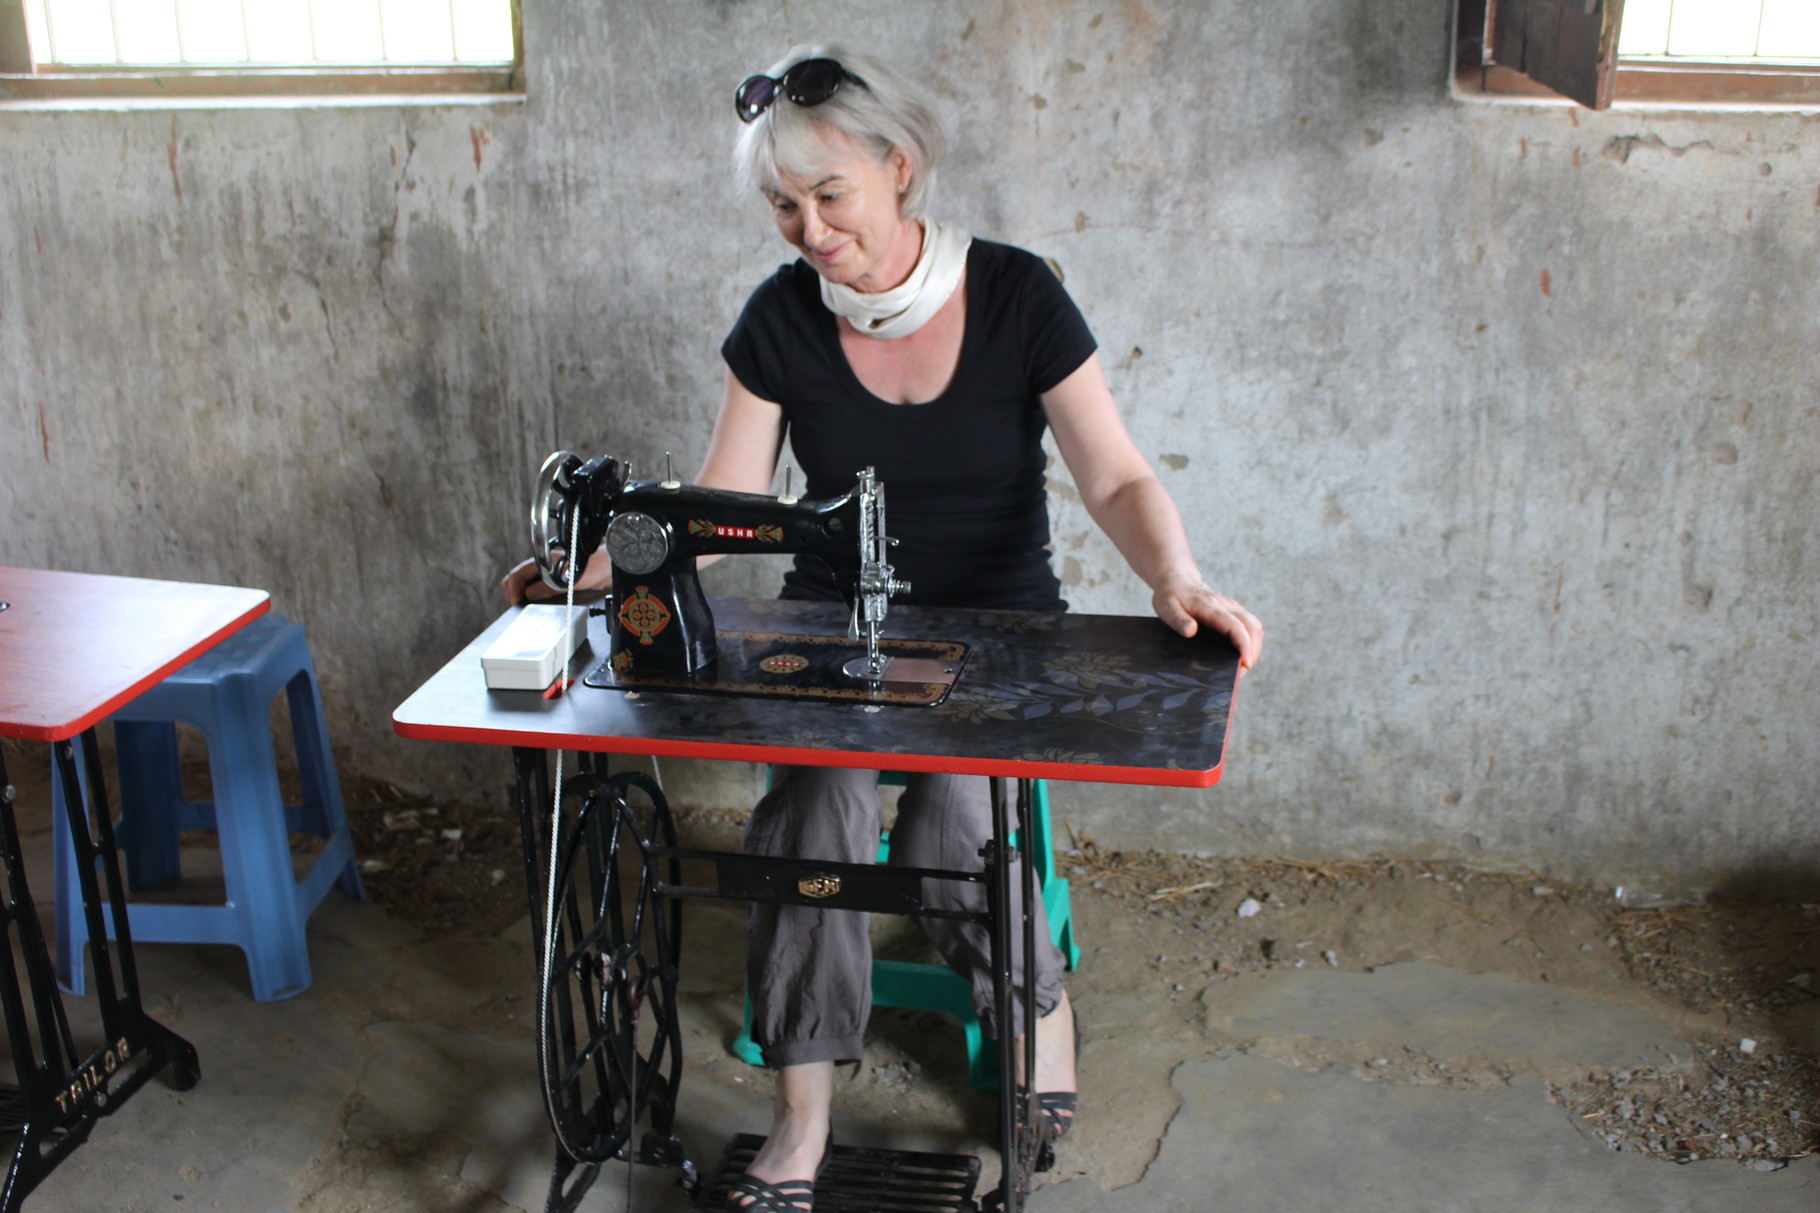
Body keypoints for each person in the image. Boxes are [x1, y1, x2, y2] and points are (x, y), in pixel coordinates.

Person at [503, 44, 1262, 1213]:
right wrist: (592, 572)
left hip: (997, 636)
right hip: (832, 633)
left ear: (898, 168)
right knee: (808, 823)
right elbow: (731, 507)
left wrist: (1176, 576)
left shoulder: (1015, 294)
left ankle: (1036, 1006)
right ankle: (799, 1122)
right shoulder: (777, 323)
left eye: (827, 196)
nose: (806, 229)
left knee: (949, 834)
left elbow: (1111, 476)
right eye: (781, 205)